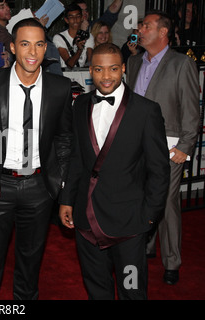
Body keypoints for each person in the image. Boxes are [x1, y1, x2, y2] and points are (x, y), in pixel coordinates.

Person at [59, 43, 170, 299]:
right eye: (98, 69)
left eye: (112, 69)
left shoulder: (146, 111)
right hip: (86, 219)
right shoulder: (81, 105)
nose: (106, 76)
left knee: (131, 291)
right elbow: (77, 158)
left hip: (130, 225)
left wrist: (149, 218)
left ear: (123, 69)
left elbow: (159, 170)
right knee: (97, 290)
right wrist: (67, 200)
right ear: (91, 71)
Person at [0, 18, 73, 300]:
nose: (32, 52)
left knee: (31, 261)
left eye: (39, 44)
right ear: (12, 48)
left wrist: (60, 184)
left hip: (38, 187)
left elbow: (65, 137)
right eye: (25, 44)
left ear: (46, 48)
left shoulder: (60, 87)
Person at [127, 11, 200, 286]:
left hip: (170, 147)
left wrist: (186, 145)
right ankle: (146, 245)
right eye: (141, 25)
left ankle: (172, 262)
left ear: (162, 32)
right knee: (140, 196)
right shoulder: (134, 62)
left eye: (146, 25)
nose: (140, 29)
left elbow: (192, 110)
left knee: (167, 202)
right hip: (136, 144)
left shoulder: (182, 64)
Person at [53, 3, 94, 69]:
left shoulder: (88, 36)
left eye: (77, 16)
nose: (75, 20)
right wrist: (79, 49)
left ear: (82, 18)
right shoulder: (59, 38)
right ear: (66, 20)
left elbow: (90, 61)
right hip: (65, 75)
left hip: (82, 75)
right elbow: (70, 64)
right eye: (71, 17)